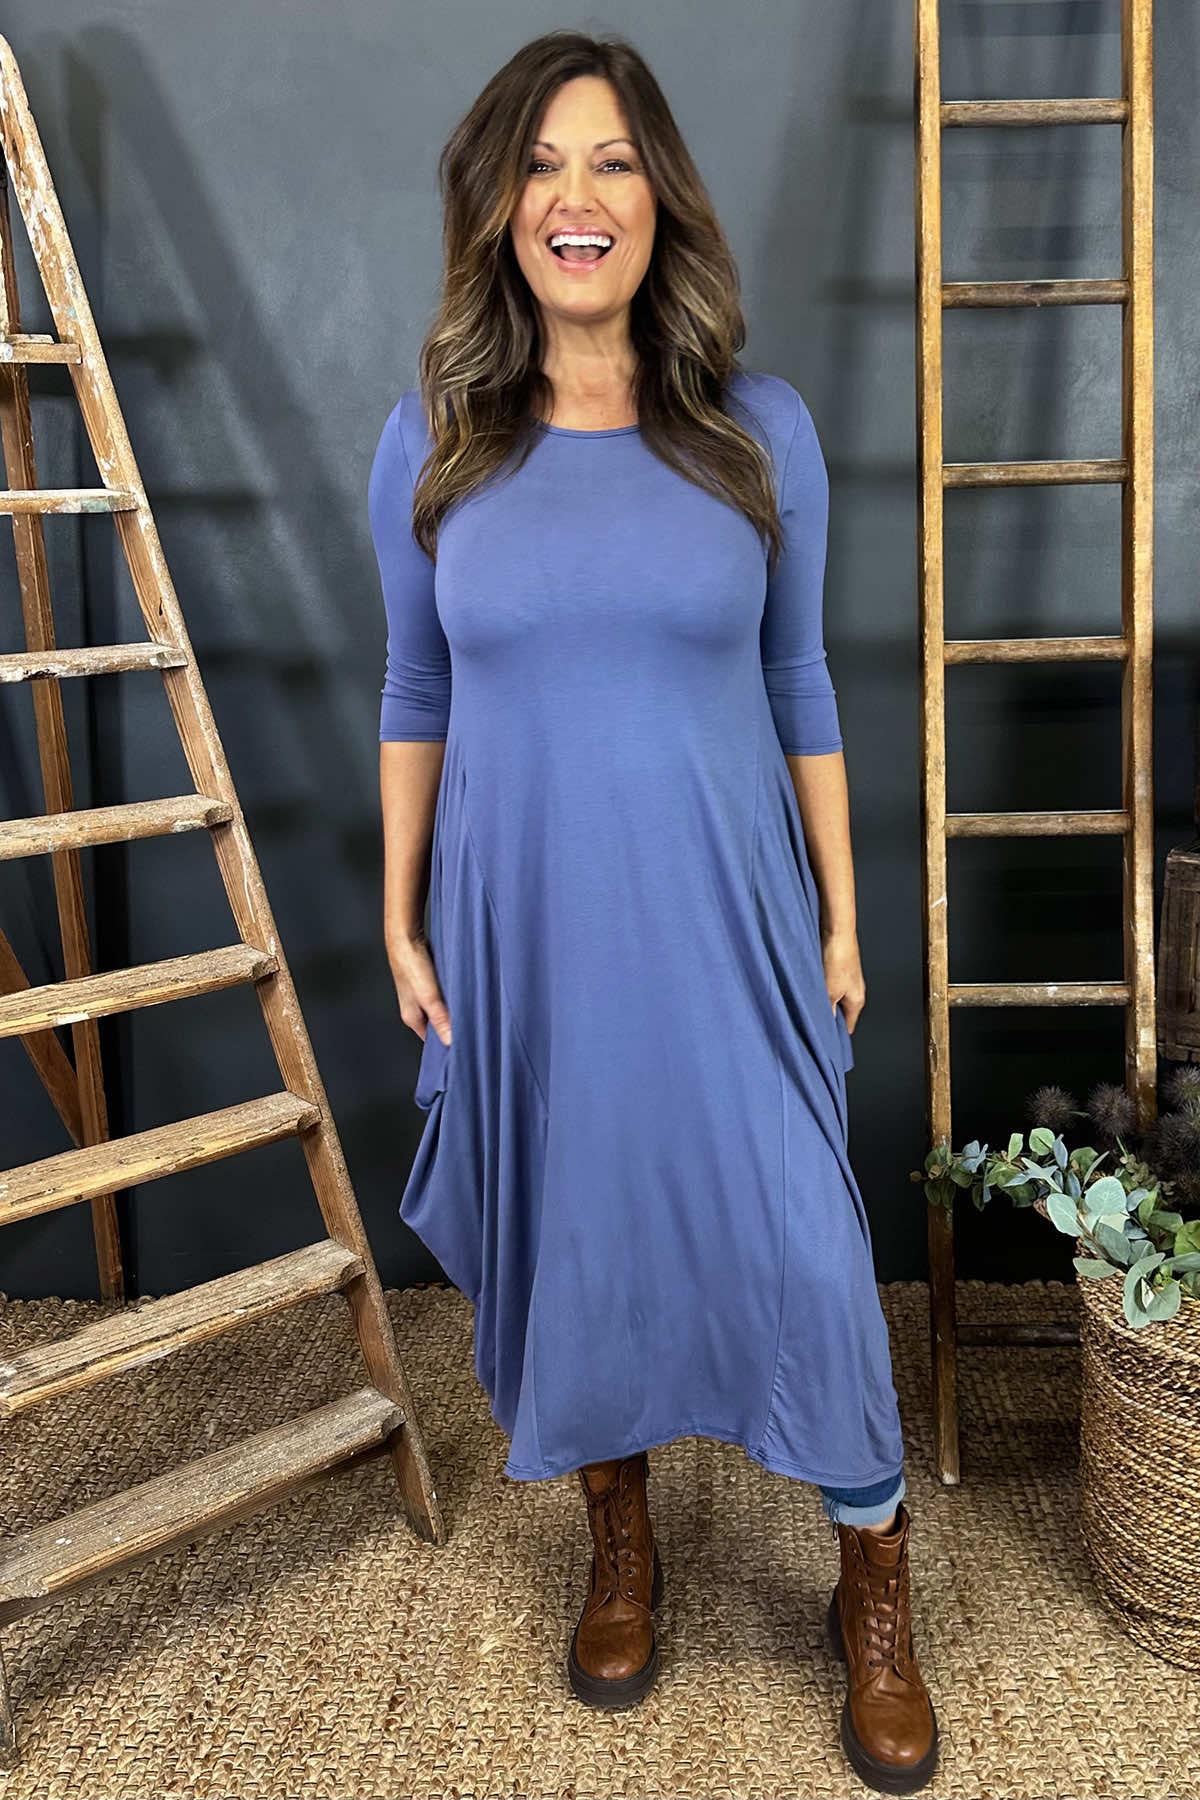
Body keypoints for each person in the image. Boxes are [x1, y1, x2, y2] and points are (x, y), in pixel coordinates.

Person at [370, 30, 938, 1796]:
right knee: (585, 1234)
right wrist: (399, 914)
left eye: (610, 160)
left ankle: (872, 1579)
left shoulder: (760, 433)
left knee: (808, 1247)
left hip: (728, 911)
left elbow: (800, 682)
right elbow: (415, 687)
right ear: (499, 209)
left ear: (659, 197)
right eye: (542, 165)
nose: (577, 196)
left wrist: (843, 918)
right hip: (527, 926)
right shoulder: (434, 441)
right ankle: (621, 1545)